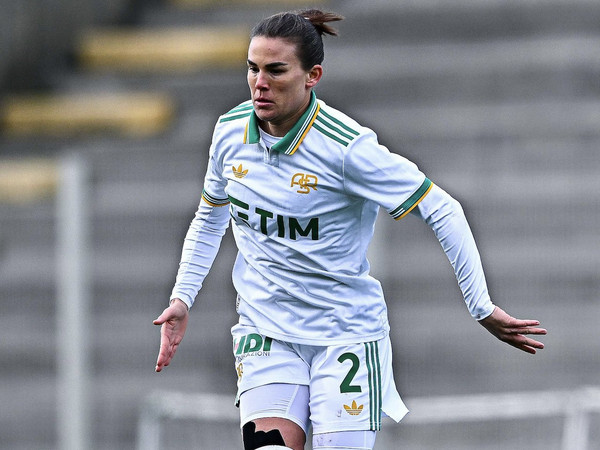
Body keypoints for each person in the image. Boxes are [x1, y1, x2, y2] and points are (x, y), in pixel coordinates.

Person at [154, 9, 546, 450]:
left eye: (276, 70)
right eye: (252, 68)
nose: (259, 83)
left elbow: (443, 208)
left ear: (312, 76)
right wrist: (182, 298)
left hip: (345, 337)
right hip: (266, 332)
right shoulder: (229, 132)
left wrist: (480, 306)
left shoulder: (346, 148)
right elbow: (210, 216)